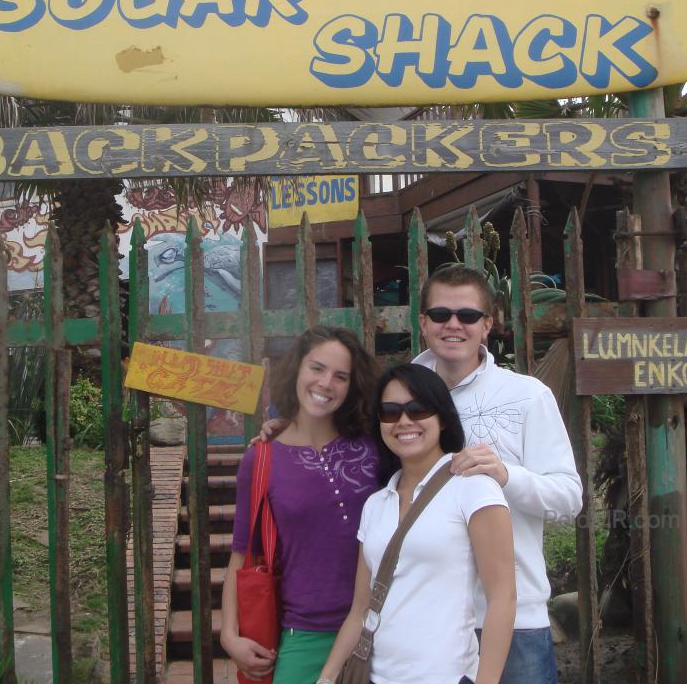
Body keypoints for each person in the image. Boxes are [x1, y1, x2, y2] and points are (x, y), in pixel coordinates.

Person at [414, 265, 582, 684]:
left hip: (513, 619)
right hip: (421, 619)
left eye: (468, 316)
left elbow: (568, 498)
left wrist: (507, 476)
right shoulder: (399, 396)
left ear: (487, 325)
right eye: (440, 314)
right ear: (423, 323)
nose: (453, 325)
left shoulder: (526, 395)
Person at [316, 363, 516, 684]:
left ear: (442, 418)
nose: (404, 421)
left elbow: (502, 597)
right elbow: (360, 610)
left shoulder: (473, 487)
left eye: (418, 409)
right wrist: (326, 677)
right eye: (391, 412)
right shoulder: (376, 505)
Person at [221, 326, 381, 684]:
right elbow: (240, 554)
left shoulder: (374, 447)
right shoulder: (261, 459)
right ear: (296, 369)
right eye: (317, 368)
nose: (326, 383)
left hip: (384, 629)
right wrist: (228, 635)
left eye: (341, 376)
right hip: (305, 634)